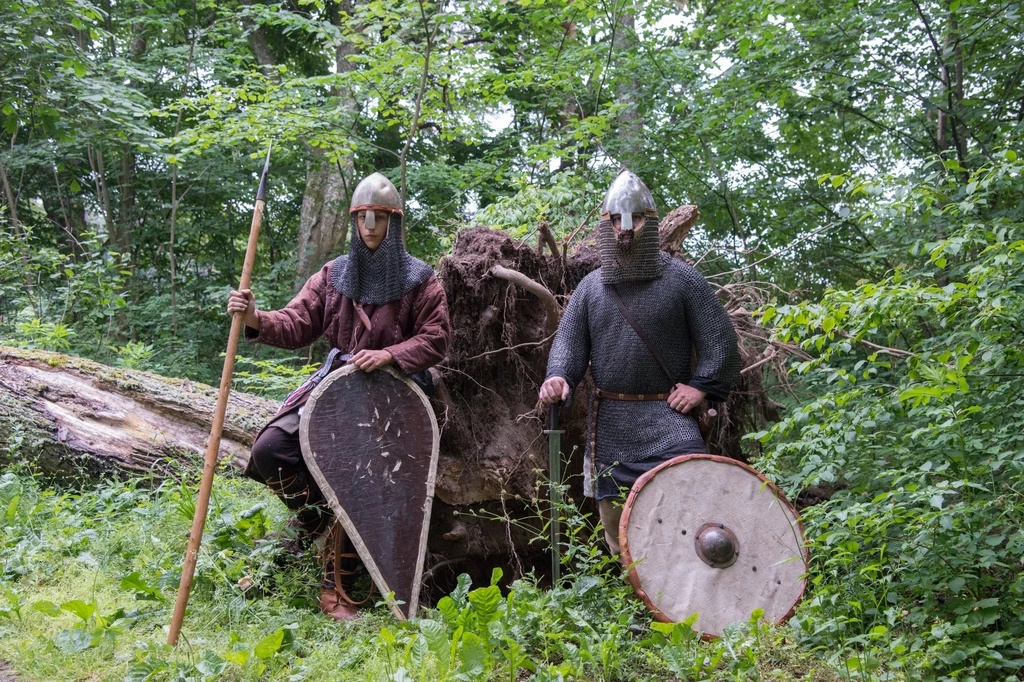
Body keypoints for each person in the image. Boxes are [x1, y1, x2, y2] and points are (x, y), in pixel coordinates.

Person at [226, 172, 450, 620]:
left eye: (379, 216)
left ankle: (340, 585)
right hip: (337, 387)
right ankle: (317, 518)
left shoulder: (420, 280)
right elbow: (294, 324)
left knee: (358, 471)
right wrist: (254, 316)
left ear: (394, 221)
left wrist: (389, 354)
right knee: (272, 450)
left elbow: (436, 339)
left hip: (395, 396)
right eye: (362, 216)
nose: (369, 224)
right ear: (354, 220)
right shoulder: (333, 276)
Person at [538, 170, 740, 556]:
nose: (624, 228)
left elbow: (720, 340)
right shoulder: (591, 288)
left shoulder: (681, 280)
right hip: (612, 422)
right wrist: (559, 377)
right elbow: (568, 344)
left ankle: (695, 608)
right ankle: (631, 612)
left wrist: (700, 386)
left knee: (695, 514)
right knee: (620, 534)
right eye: (615, 219)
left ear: (650, 221)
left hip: (670, 420)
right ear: (607, 225)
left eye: (634, 218)